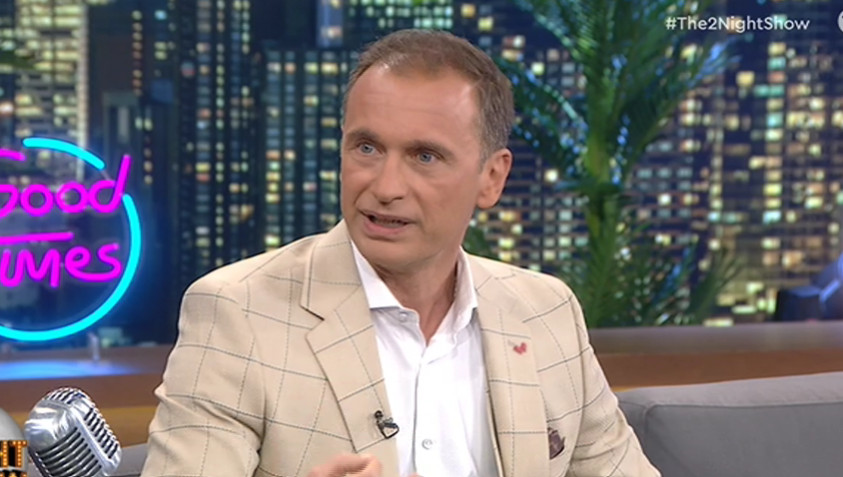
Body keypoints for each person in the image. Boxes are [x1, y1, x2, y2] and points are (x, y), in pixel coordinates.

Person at [141, 29, 660, 477]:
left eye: (424, 156)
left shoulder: (546, 312)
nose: (385, 187)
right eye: (366, 148)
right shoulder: (238, 314)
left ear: (491, 177)